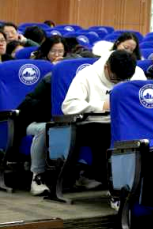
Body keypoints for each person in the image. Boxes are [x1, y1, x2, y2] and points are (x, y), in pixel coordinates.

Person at [35, 50, 146, 193]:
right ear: (107, 67)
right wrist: (101, 106)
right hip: (95, 123)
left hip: (126, 122)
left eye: (123, 80)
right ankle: (113, 182)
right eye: (115, 78)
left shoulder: (137, 73)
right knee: (104, 134)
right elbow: (68, 106)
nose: (119, 82)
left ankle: (134, 184)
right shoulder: (87, 75)